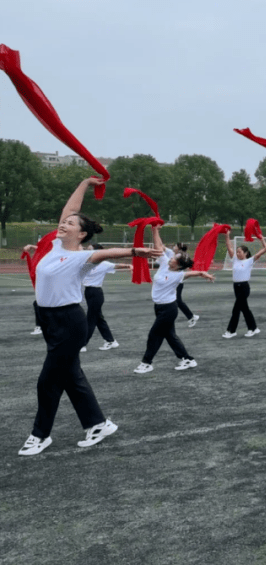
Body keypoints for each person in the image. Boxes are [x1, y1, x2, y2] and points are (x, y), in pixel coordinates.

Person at [18, 177, 160, 456]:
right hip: (49, 320)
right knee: (71, 376)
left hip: (68, 322)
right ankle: (98, 424)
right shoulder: (56, 246)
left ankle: (40, 435)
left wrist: (134, 251)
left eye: (70, 224)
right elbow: (70, 210)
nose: (63, 224)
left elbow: (105, 253)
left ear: (81, 234)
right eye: (65, 222)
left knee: (48, 381)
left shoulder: (80, 257)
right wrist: (84, 183)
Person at [135, 224, 215, 375]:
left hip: (168, 310)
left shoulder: (178, 275)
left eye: (174, 259)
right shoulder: (165, 263)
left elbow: (193, 273)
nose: (171, 258)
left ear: (178, 266)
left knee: (154, 335)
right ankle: (187, 359)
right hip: (159, 307)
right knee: (170, 335)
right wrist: (154, 230)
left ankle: (146, 363)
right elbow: (159, 247)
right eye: (172, 257)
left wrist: (203, 273)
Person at [82, 243, 132, 352]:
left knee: (91, 319)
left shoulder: (103, 264)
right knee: (98, 318)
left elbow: (117, 266)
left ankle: (83, 344)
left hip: (96, 293)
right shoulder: (86, 262)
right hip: (88, 292)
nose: (87, 251)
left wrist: (129, 266)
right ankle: (111, 341)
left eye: (90, 249)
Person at [222, 235, 266, 339]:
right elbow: (229, 247)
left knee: (236, 309)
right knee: (245, 309)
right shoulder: (235, 260)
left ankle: (231, 331)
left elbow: (260, 253)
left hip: (244, 288)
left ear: (245, 253)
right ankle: (253, 328)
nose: (237, 253)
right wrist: (227, 236)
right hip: (236, 287)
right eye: (237, 252)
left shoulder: (249, 261)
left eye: (240, 252)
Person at [173, 242, 200, 328]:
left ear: (179, 248)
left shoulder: (178, 255)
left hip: (177, 281)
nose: (174, 247)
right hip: (178, 280)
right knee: (176, 300)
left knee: (177, 301)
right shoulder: (184, 255)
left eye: (175, 246)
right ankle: (191, 316)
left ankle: (191, 317)